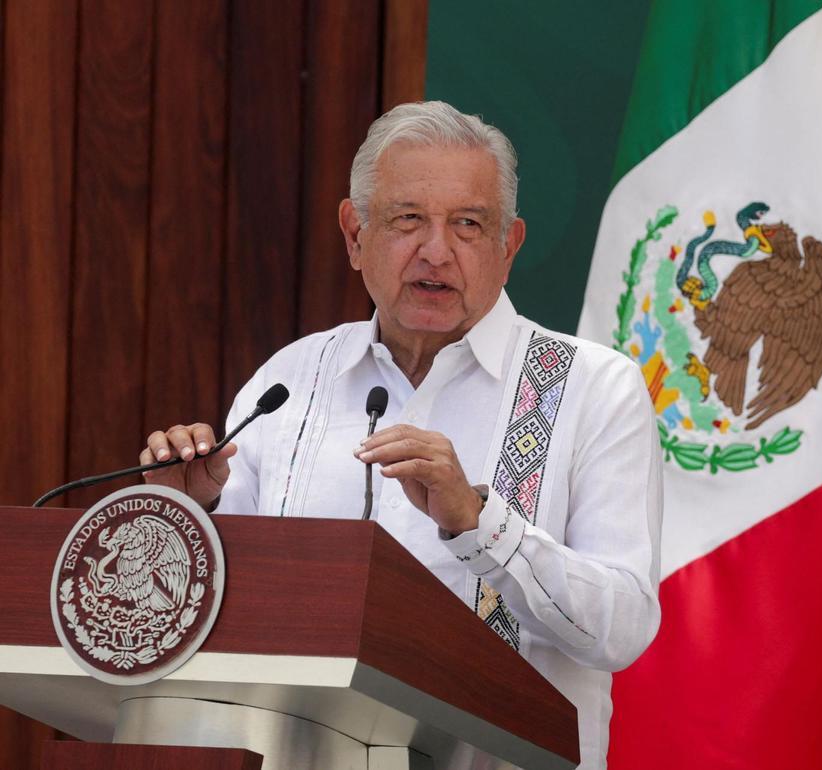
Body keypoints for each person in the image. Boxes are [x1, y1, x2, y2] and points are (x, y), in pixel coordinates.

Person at [139, 101, 663, 769]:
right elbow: (222, 615)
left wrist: (480, 523)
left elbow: (621, 630)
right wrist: (194, 513)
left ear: (510, 245)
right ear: (355, 234)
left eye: (468, 225)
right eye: (407, 219)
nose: (436, 251)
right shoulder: (294, 378)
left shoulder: (592, 388)